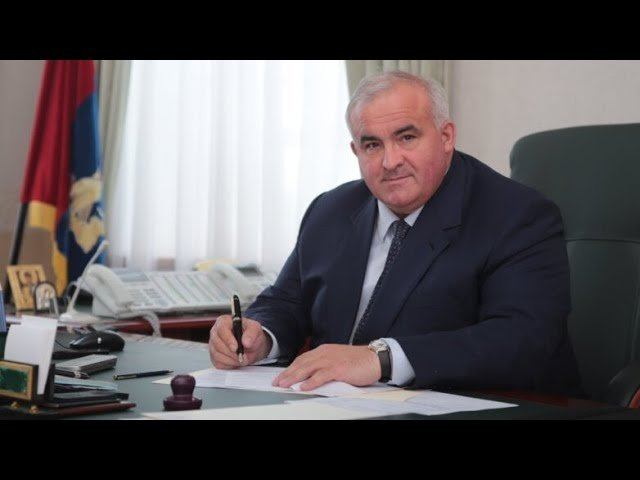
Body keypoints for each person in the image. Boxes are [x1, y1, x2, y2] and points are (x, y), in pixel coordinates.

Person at [209, 71, 582, 396]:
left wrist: (381, 359)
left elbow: (522, 340)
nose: (390, 162)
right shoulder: (331, 209)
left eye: (406, 138)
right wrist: (259, 336)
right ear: (355, 150)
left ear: (446, 136)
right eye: (372, 145)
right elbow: (286, 302)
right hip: (335, 406)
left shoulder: (516, 216)